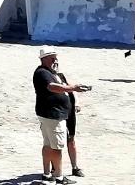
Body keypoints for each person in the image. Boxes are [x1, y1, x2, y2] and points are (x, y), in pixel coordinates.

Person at [33, 46, 87, 184]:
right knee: (57, 147)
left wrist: (74, 95)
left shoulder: (51, 73)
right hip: (53, 115)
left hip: (52, 114)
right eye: (52, 58)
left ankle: (47, 174)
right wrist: (73, 88)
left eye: (56, 58)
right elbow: (52, 87)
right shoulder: (42, 73)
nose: (55, 60)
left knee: (48, 145)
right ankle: (58, 176)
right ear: (44, 59)